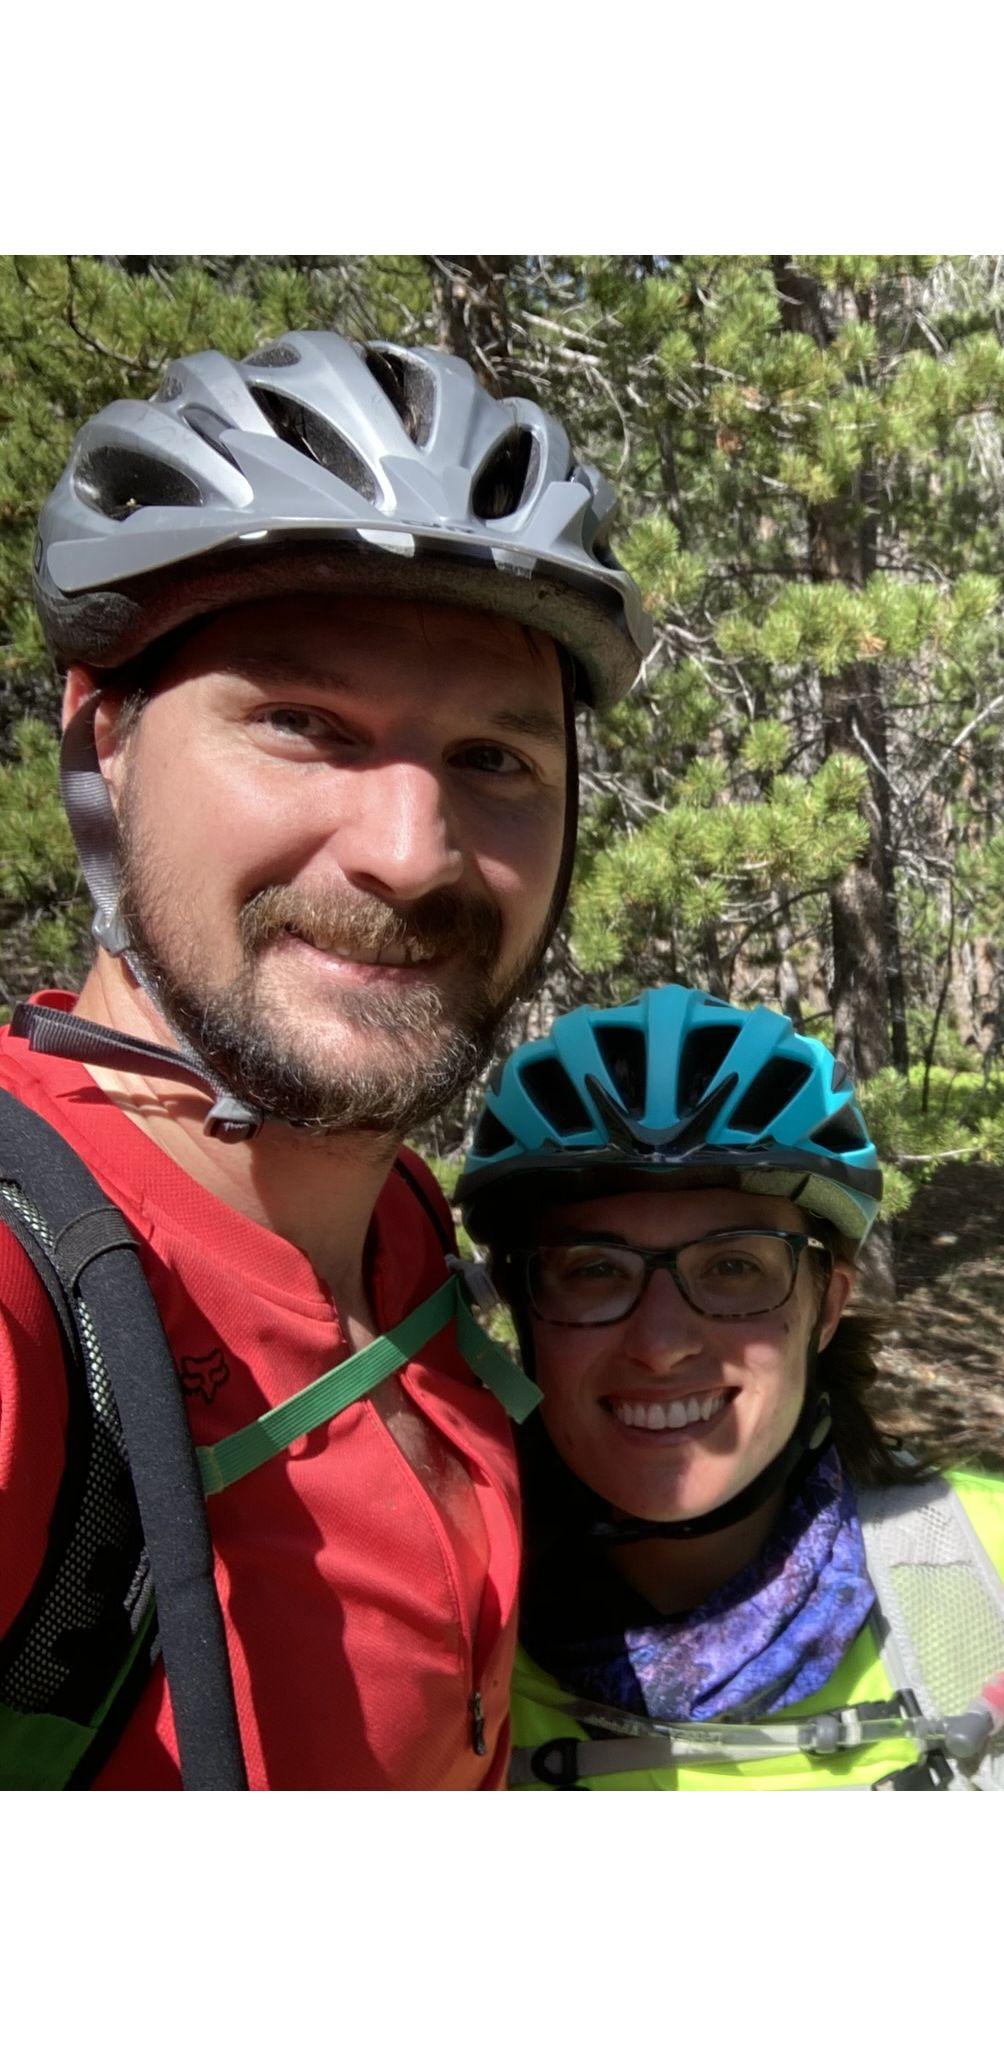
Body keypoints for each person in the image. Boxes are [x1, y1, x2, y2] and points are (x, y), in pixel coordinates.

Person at [0, 330, 652, 1787]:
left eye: (495, 759)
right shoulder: (32, 1280)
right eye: (303, 725)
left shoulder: (409, 1222)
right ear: (103, 743)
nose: (410, 854)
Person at [454, 983, 1004, 1790]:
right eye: (593, 1271)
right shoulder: (445, 1626)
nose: (661, 1345)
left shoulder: (1001, 1565)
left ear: (826, 1307)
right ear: (521, 1311)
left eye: (733, 1266)